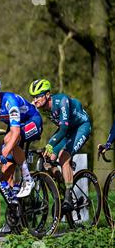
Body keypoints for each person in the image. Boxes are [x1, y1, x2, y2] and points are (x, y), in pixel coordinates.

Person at [29, 78, 92, 211]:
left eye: (38, 96)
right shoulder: (38, 106)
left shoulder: (62, 101)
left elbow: (63, 129)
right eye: (33, 97)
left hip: (81, 126)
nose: (35, 100)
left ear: (47, 95)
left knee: (63, 157)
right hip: (67, 129)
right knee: (48, 160)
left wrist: (50, 144)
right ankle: (62, 188)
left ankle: (68, 198)